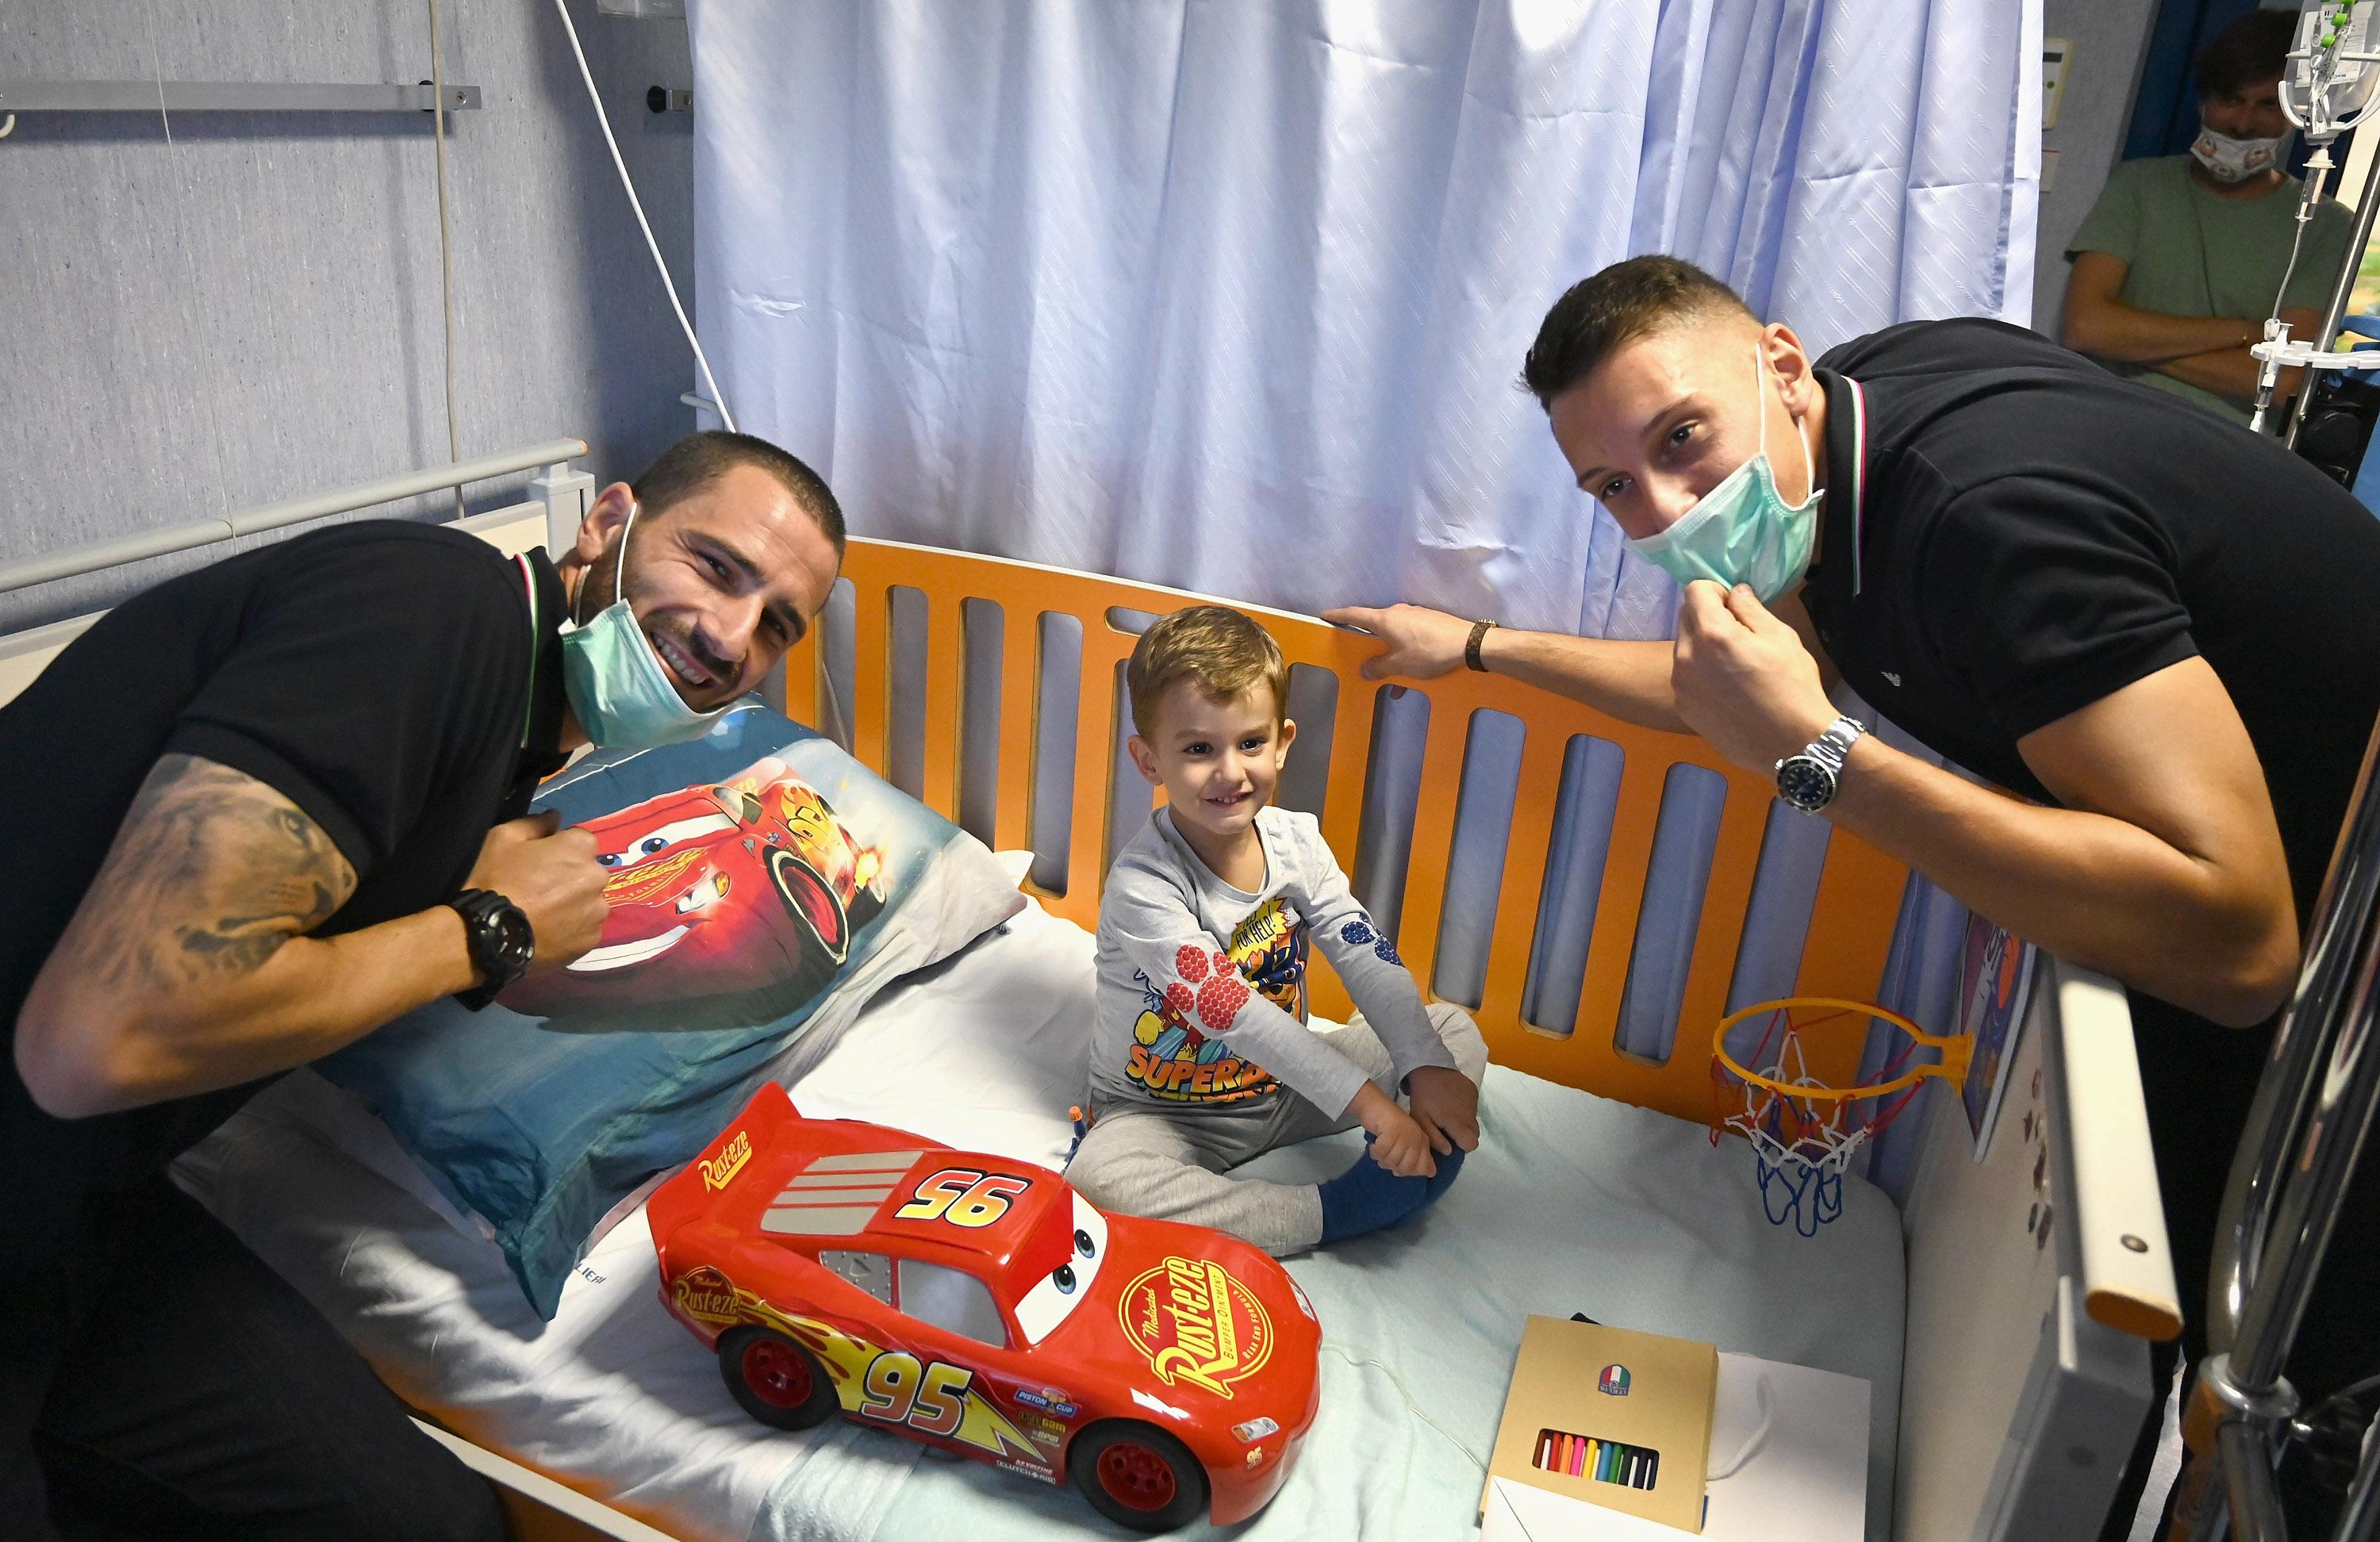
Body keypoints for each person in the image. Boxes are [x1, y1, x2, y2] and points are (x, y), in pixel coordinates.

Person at [1325, 255, 2380, 1532]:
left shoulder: (1986, 522)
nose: (1666, 513)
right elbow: (1745, 695)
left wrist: (1823, 765)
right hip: (2270, 890)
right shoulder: (1852, 430)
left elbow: (2240, 943)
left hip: (2339, 962)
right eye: (1615, 487)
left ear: (1775, 363)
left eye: (1684, 440)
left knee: (2307, 1397)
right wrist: (1482, 648)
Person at [1, 429, 844, 1540]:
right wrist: (487, 928)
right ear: (606, 524)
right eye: (714, 566)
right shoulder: (430, 617)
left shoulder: (514, 743)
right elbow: (99, 1039)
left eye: (775, 623)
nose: (731, 636)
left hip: (74, 1213)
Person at [1066, 604, 1486, 1253]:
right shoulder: (1144, 887)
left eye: (1250, 743)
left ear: (1284, 741)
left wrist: (1422, 1066)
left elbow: (1360, 948)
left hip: (1286, 1086)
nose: (1231, 772)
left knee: (1451, 1032)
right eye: (1199, 749)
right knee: (1097, 1183)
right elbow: (1228, 1010)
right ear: (1149, 761)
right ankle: (1333, 1210)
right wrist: (1372, 1107)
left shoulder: (1298, 842)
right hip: (1168, 1111)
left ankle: (1428, 1139)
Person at [2063, 9, 2355, 427]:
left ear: (2297, 113)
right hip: (2107, 423)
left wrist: (2130, 343)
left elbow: (2284, 381)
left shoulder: (2324, 226)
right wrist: (2246, 332)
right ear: (2205, 102)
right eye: (2231, 100)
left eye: (2267, 105)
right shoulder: (2138, 186)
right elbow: (2086, 327)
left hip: (2229, 449)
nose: (2243, 123)